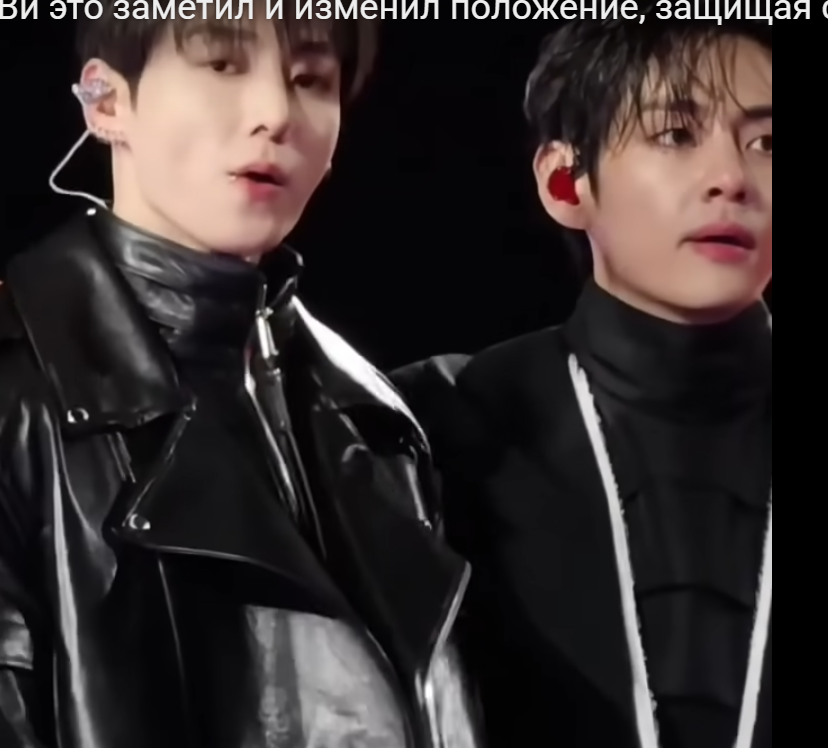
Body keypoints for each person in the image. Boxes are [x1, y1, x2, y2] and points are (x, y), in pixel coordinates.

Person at [0, 7, 481, 748]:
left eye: (310, 80)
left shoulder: (376, 417)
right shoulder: (20, 390)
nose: (277, 114)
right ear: (108, 101)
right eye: (222, 65)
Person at [393, 16, 771, 748]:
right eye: (675, 134)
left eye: (766, 143)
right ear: (567, 182)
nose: (731, 177)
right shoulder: (434, 428)